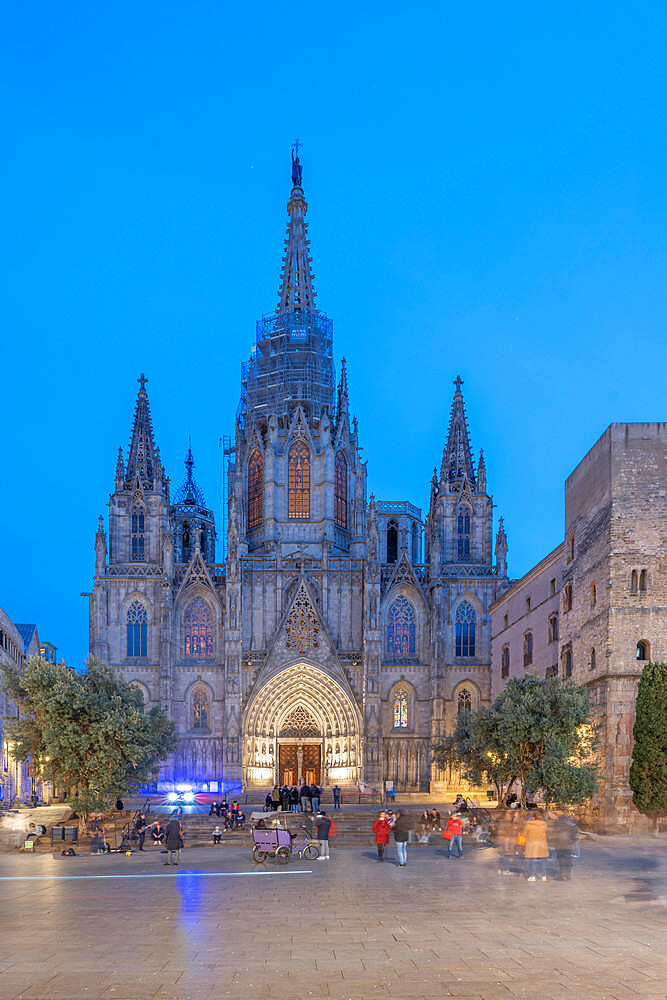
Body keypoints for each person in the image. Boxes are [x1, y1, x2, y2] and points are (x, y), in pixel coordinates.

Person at [550, 809, 579, 880]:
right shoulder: (567, 819)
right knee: (567, 858)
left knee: (562, 858)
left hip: (562, 842)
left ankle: (563, 874)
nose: (555, 812)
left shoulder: (562, 820)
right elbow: (574, 829)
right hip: (566, 842)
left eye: (556, 811)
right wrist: (572, 839)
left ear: (561, 811)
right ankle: (567, 874)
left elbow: (573, 829)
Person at [524, 810, 549, 881]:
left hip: (532, 845)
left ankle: (533, 876)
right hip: (542, 845)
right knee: (543, 861)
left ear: (533, 817)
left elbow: (524, 834)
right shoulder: (544, 824)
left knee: (533, 860)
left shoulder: (528, 824)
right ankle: (544, 876)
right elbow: (547, 833)